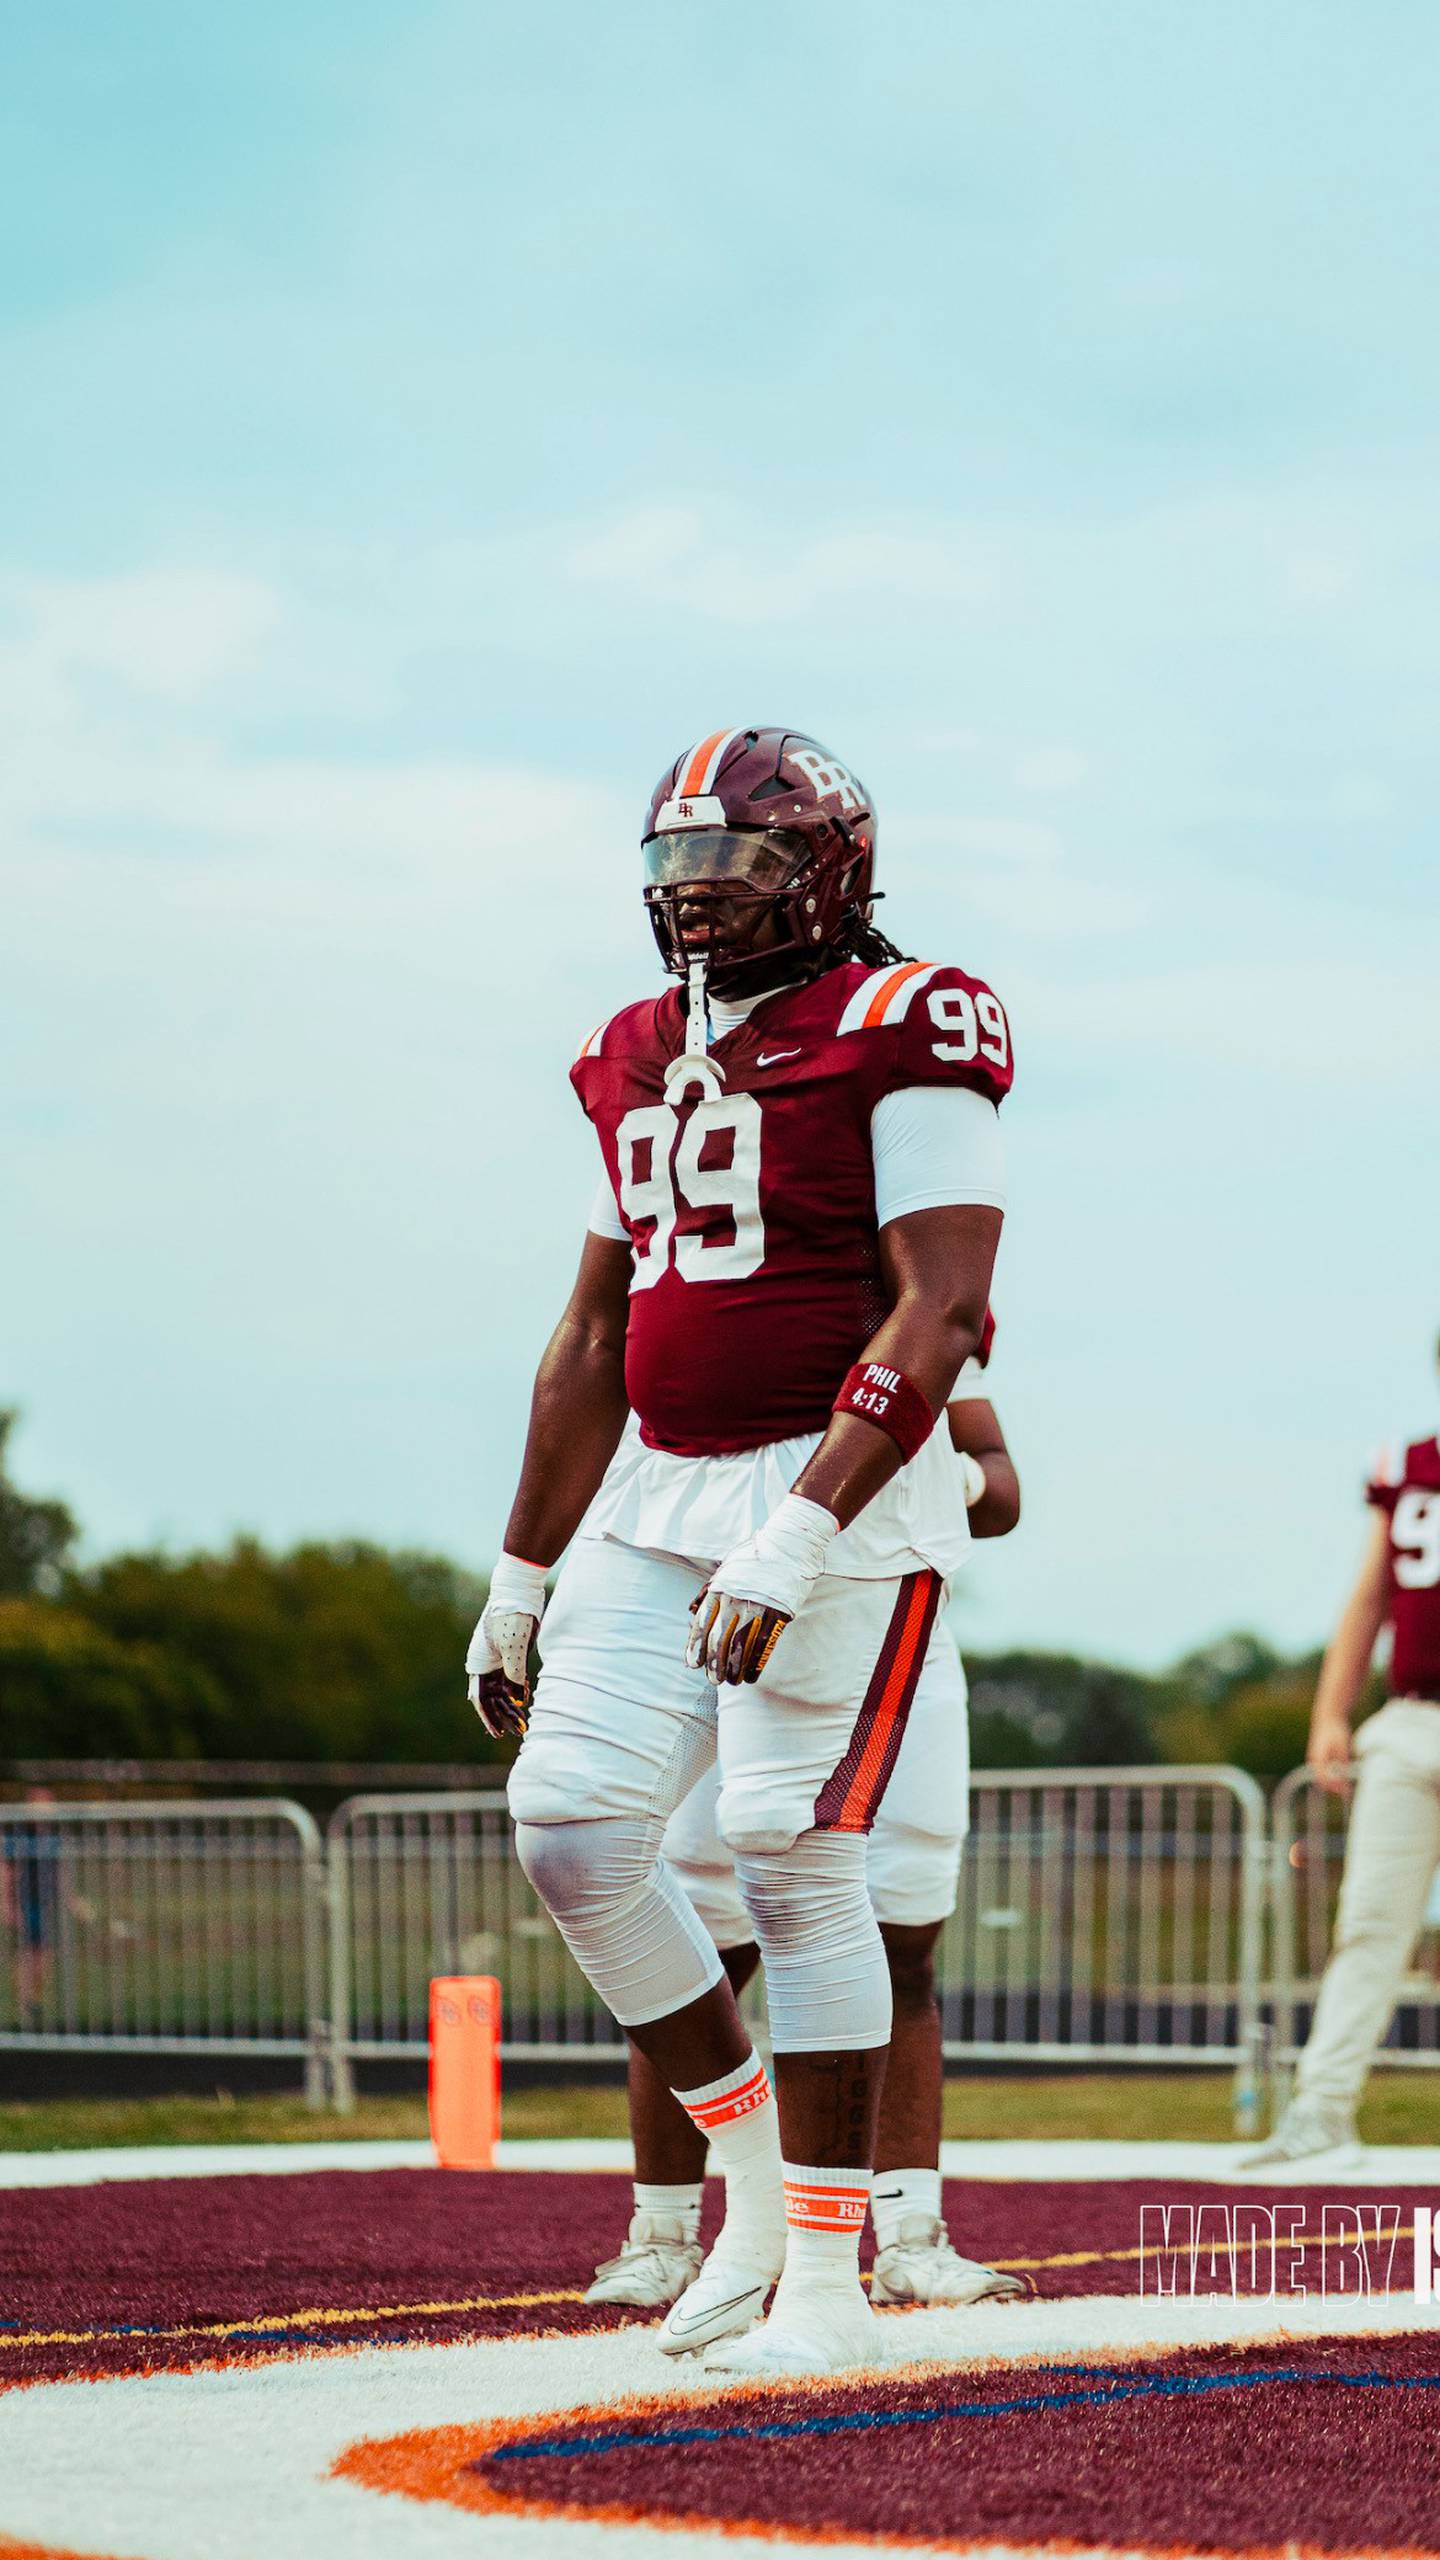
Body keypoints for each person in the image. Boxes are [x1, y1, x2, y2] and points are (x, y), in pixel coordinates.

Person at [468, 726, 1011, 2376]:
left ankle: (833, 2282)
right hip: (659, 1488)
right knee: (566, 1826)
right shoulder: (626, 1048)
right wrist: (519, 1569)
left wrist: (806, 1521)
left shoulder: (902, 1018)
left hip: (837, 1497)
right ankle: (753, 2176)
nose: (700, 909)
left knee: (790, 1853)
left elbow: (946, 1303)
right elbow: (589, 1331)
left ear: (829, 874)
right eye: (678, 879)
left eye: (738, 875)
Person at [587, 1357, 1028, 2314]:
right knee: (707, 1931)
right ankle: (661, 2231)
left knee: (905, 1936)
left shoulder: (920, 1304)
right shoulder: (742, 1312)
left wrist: (934, 1468)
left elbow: (1001, 1489)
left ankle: (911, 2231)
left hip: (894, 1623)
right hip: (735, 1618)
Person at [1246, 1365, 1440, 2168]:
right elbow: (1371, 1596)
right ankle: (1322, 2110)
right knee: (1369, 1922)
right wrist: (1332, 1709)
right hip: (1412, 1718)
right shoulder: (1407, 1464)